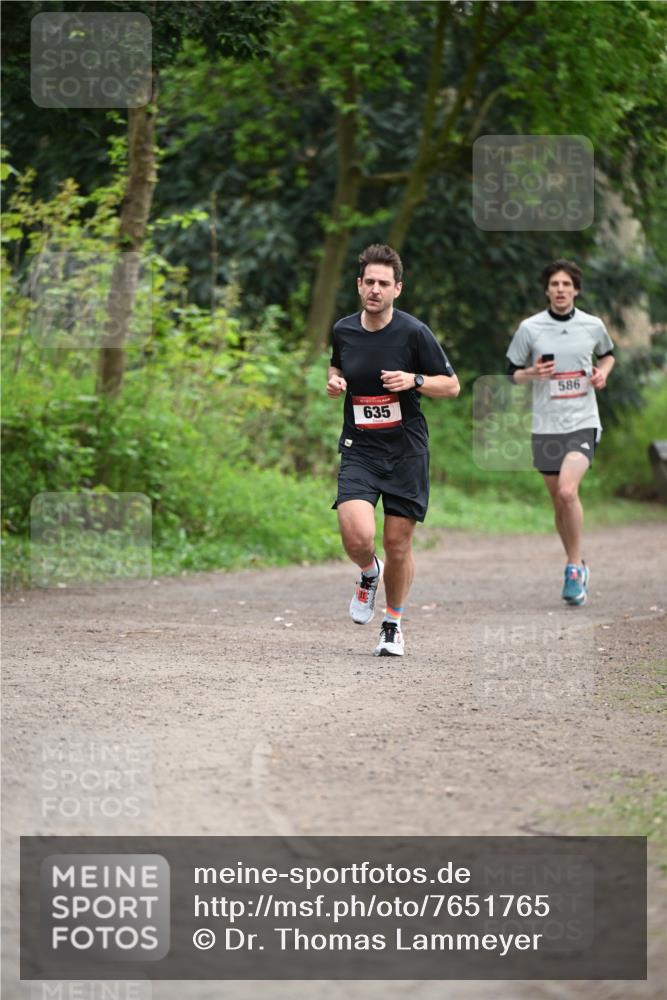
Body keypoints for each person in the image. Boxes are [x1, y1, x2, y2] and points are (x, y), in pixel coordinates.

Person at [327, 244, 460, 656]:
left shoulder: (414, 333)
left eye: (384, 283)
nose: (375, 289)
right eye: (369, 282)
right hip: (360, 447)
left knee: (398, 543)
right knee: (357, 534)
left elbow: (452, 386)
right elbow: (337, 365)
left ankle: (393, 623)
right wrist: (334, 381)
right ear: (359, 285)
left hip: (405, 450)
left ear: (397, 289)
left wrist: (414, 380)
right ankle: (369, 572)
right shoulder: (344, 330)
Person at [506, 259, 615, 605]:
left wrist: (603, 373)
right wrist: (533, 372)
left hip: (582, 420)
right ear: (547, 290)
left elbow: (609, 354)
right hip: (545, 425)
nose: (560, 290)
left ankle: (572, 568)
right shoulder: (530, 328)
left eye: (567, 284)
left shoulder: (592, 325)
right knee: (559, 502)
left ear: (576, 290)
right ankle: (578, 560)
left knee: (568, 492)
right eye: (555, 284)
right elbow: (511, 373)